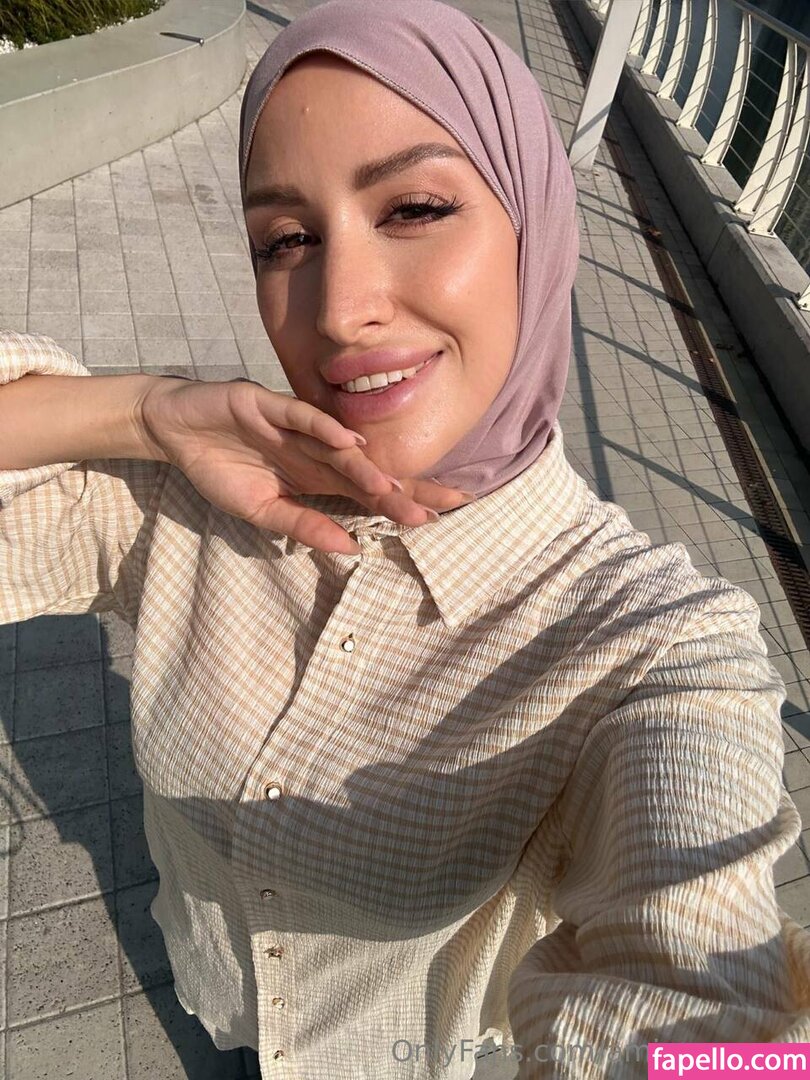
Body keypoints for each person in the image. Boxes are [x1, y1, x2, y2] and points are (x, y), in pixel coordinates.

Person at [1, 1, 809, 1077]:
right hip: (217, 992)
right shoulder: (188, 499)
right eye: (287, 240)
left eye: (415, 208)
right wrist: (141, 413)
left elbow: (709, 1010)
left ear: (534, 226)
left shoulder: (650, 646)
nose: (339, 310)